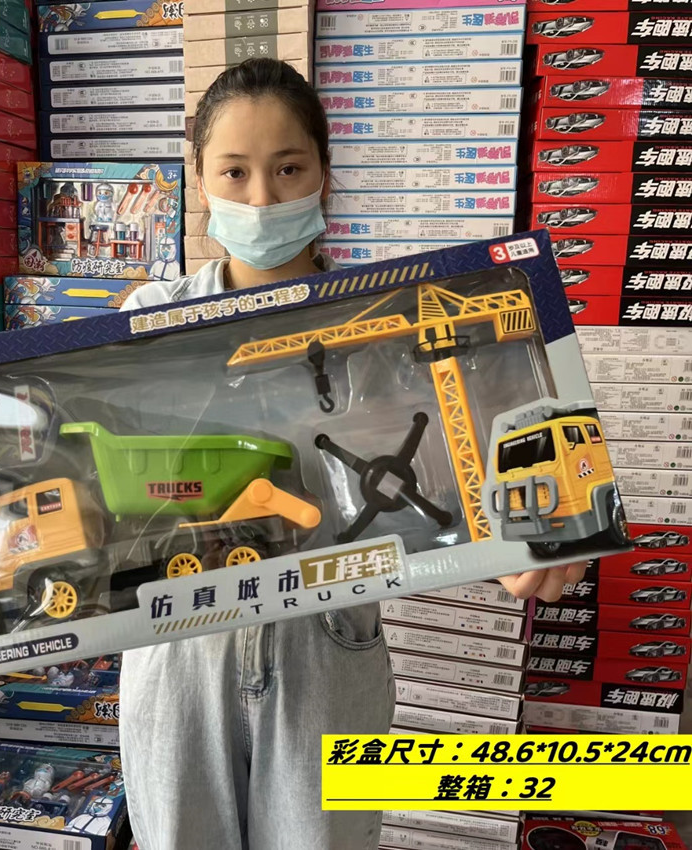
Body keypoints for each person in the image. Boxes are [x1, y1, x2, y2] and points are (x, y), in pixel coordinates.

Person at [118, 58, 585, 850]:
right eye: (234, 171)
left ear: (323, 176)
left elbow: (465, 482)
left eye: (287, 169)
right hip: (179, 658)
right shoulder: (144, 324)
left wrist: (537, 539)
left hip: (328, 651)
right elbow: (102, 504)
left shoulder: (392, 326)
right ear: (199, 181)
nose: (260, 199)